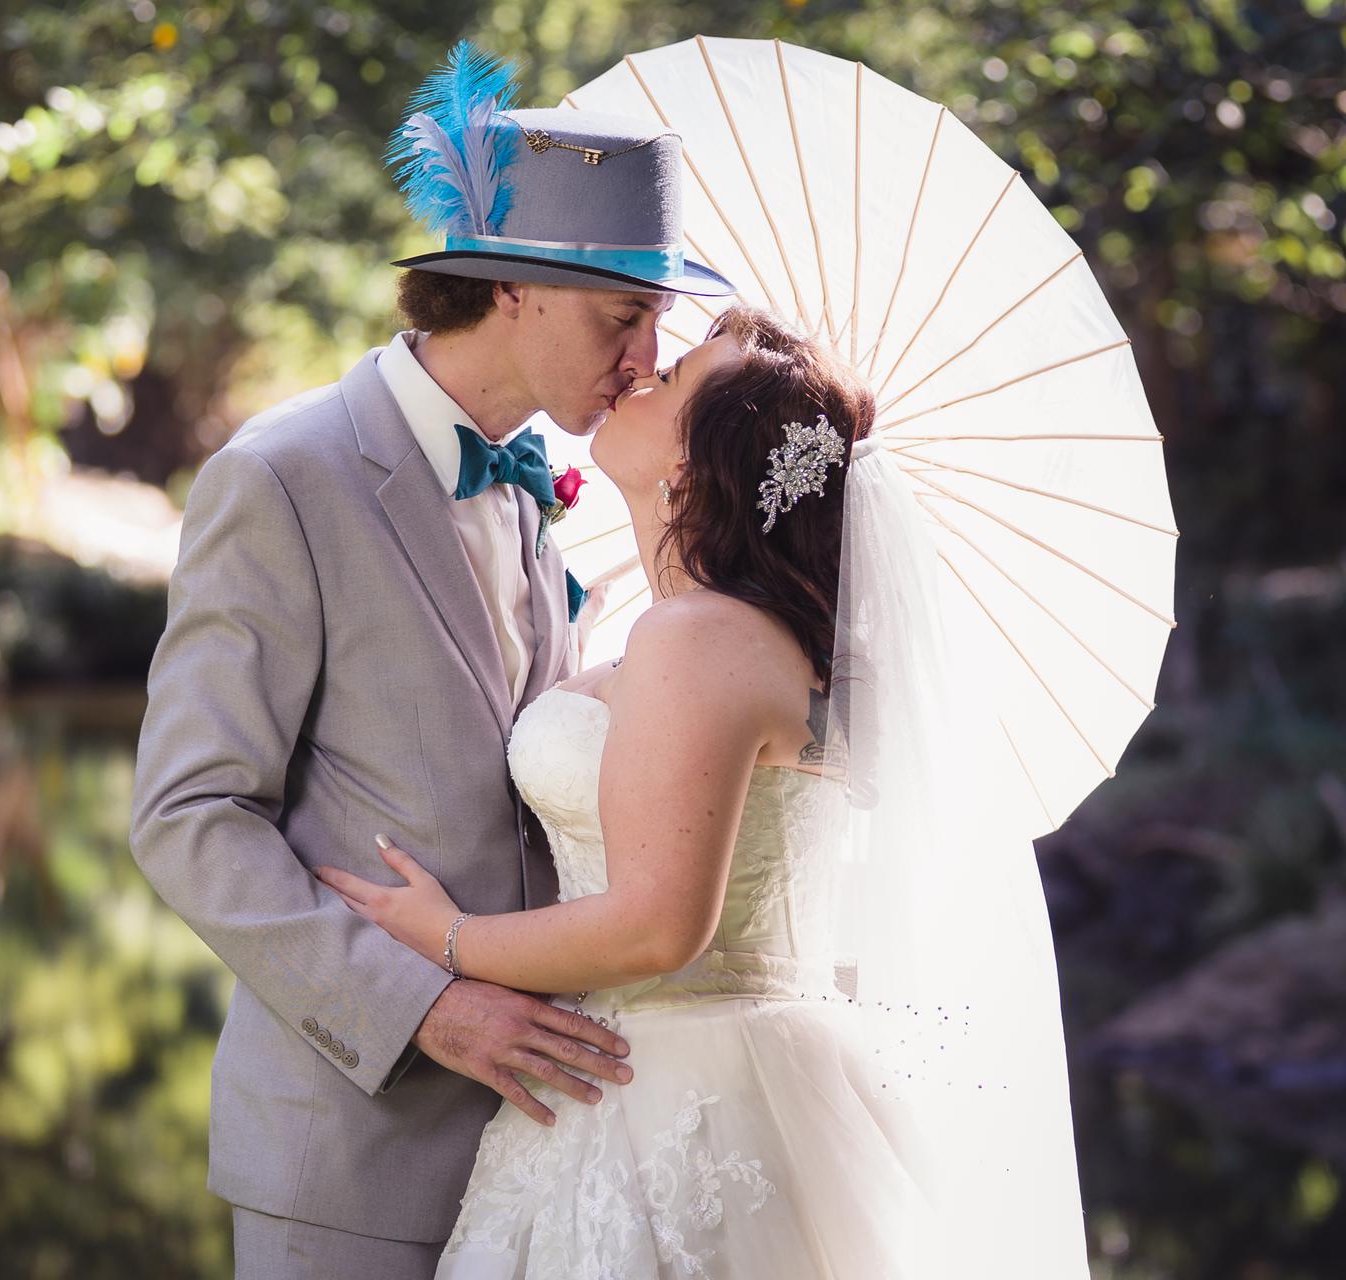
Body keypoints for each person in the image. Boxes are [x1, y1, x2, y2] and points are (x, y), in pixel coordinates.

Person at [317, 304, 1093, 1276]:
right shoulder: (703, 630)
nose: (639, 372)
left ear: (692, 461)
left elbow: (657, 925)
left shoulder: (699, 638)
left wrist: (446, 937)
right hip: (663, 1077)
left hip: (672, 1100)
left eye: (673, 375)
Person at [128, 44, 736, 1277]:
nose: (644, 355)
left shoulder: (537, 489)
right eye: (628, 316)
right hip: (347, 1156)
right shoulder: (281, 477)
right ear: (514, 289)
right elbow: (189, 815)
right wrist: (430, 1007)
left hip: (550, 1159)